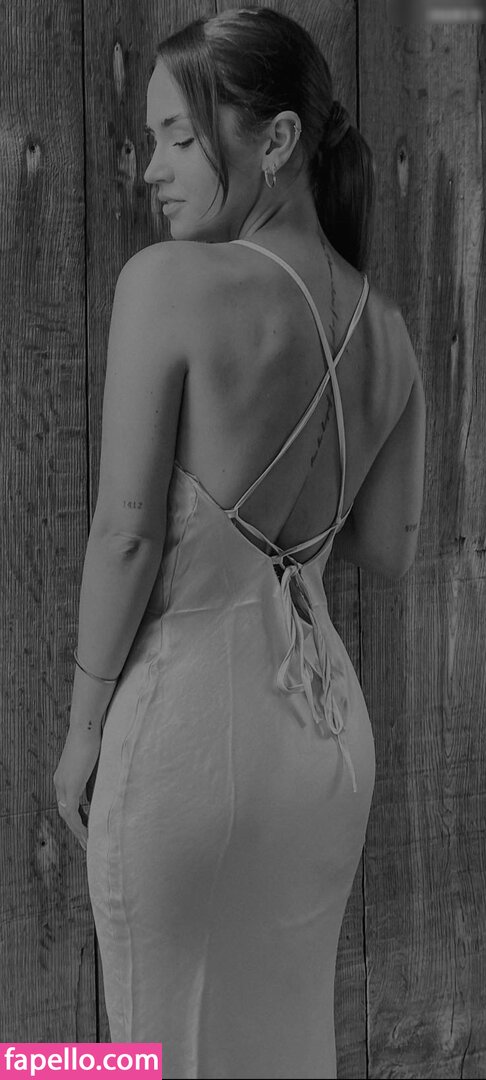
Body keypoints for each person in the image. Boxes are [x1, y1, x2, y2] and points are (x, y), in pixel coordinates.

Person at [53, 7, 426, 1079]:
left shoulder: (168, 284)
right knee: (283, 1046)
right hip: (323, 749)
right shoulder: (390, 333)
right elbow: (389, 550)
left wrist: (83, 733)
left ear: (278, 141)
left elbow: (126, 534)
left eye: (180, 137)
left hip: (186, 744)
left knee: (150, 1054)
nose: (152, 170)